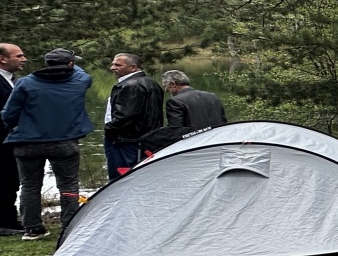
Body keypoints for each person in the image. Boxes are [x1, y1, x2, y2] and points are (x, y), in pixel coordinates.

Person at [1, 47, 92, 241]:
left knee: (29, 186)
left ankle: (33, 229)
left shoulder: (26, 83)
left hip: (27, 142)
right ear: (70, 65)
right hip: (64, 142)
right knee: (68, 184)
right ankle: (69, 225)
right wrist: (72, 63)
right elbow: (81, 72)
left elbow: (8, 115)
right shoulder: (79, 81)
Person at [104, 52, 164, 181]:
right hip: (147, 139)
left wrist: (109, 129)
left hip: (126, 141)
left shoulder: (131, 85)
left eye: (118, 65)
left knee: (121, 179)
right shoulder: (151, 83)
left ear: (133, 67)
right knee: (142, 177)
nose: (113, 67)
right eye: (113, 64)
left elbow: (126, 116)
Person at [0, 44, 27, 235]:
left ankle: (10, 219)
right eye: (19, 56)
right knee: (3, 180)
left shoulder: (12, 80)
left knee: (10, 180)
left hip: (11, 140)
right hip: (2, 139)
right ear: (3, 59)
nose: (23, 59)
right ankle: (4, 223)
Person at [162, 70, 228, 131]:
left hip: (193, 142)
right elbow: (224, 122)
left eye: (166, 88)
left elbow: (176, 130)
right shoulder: (212, 96)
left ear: (172, 84)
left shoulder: (175, 102)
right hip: (217, 139)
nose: (168, 91)